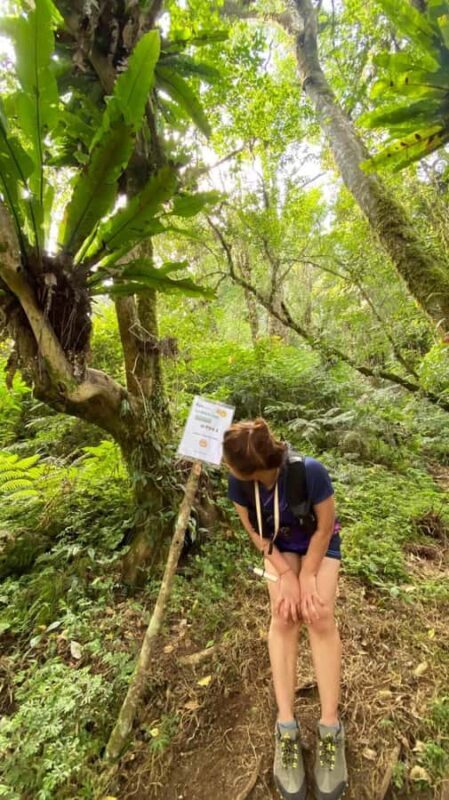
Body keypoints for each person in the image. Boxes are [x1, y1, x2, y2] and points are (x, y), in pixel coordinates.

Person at [222, 418, 347, 800]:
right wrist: (285, 576)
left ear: (250, 466)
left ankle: (330, 728)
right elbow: (256, 533)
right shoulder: (239, 483)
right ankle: (286, 726)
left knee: (319, 613)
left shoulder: (309, 472)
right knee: (284, 614)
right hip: (278, 550)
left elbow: (325, 527)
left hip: (317, 546)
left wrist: (307, 574)